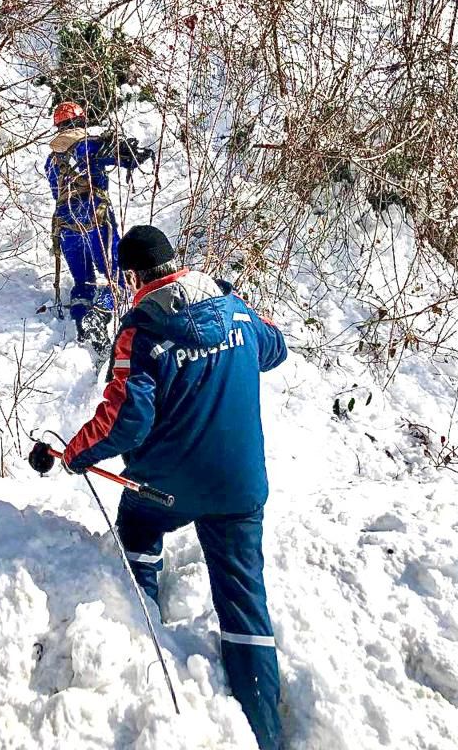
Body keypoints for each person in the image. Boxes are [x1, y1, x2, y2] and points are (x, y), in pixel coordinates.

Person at [60, 224, 287, 750]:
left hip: (165, 487)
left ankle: (144, 643)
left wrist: (74, 454)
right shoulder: (234, 310)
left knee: (136, 528)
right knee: (245, 604)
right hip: (240, 488)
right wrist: (239, 307)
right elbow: (274, 349)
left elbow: (126, 423)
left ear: (134, 276)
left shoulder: (140, 333)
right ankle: (266, 734)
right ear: (175, 263)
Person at [45, 101, 153, 351]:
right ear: (81, 121)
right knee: (121, 277)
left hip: (66, 225)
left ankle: (84, 328)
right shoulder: (90, 144)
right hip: (96, 217)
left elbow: (56, 192)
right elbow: (124, 157)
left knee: (83, 284)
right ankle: (102, 313)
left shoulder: (52, 161)